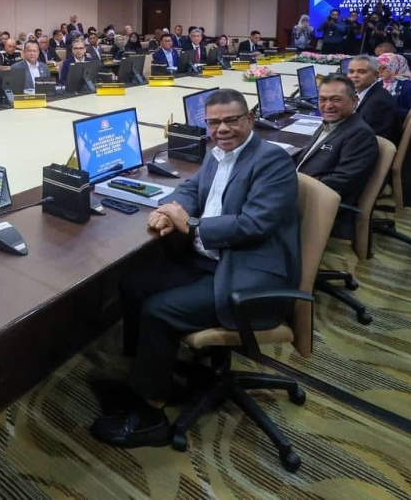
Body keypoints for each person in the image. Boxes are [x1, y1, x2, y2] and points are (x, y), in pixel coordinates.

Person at [90, 88, 300, 448]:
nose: (222, 129)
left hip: (249, 274)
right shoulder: (218, 154)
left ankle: (150, 417)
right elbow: (191, 188)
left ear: (249, 119)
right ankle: (149, 376)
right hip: (214, 260)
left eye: (231, 120)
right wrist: (171, 209)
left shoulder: (271, 161)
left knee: (158, 310)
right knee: (134, 285)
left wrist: (193, 227)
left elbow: (254, 224)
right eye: (214, 122)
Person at [295, 74, 379, 239]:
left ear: (354, 101)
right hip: (301, 192)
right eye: (322, 99)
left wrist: (290, 187)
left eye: (335, 99)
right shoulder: (331, 123)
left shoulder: (360, 134)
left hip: (320, 206)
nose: (327, 106)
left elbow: (341, 182)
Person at [347, 55, 403, 144]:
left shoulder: (378, 103)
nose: (355, 75)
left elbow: (368, 139)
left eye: (362, 72)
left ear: (376, 75)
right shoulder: (370, 93)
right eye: (351, 72)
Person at [377, 52, 411, 119]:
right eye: (378, 67)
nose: (379, 71)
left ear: (396, 66)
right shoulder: (378, 84)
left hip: (398, 125)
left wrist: (388, 109)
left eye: (384, 68)